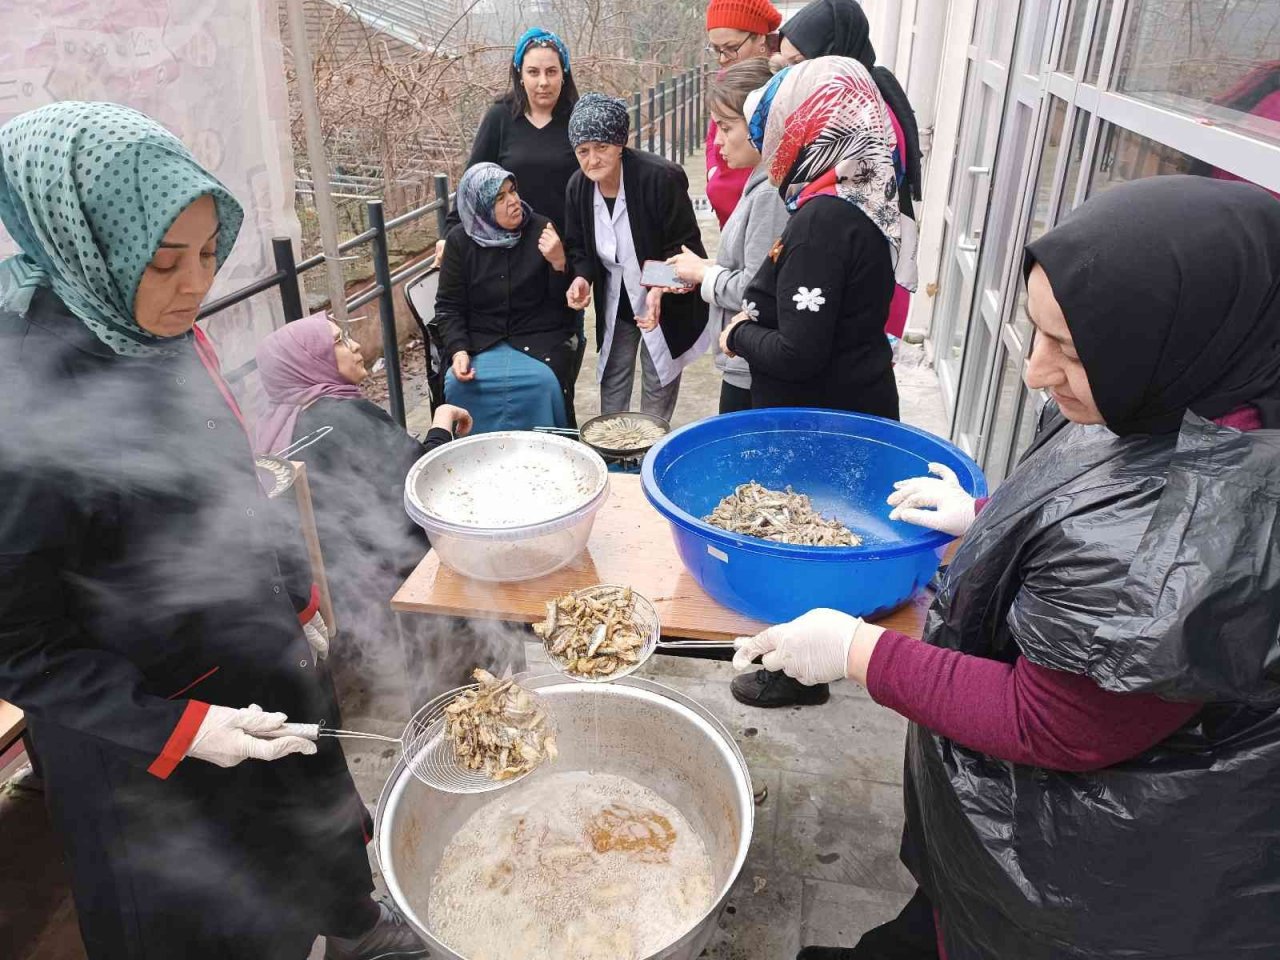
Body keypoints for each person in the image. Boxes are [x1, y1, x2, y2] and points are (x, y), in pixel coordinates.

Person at [731, 176, 1280, 960]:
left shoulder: (1212, 516)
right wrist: (989, 522)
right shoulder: (1179, 386)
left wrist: (859, 651)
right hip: (1016, 835)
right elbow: (1099, 526)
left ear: (1177, 336)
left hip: (1086, 877)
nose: (1034, 370)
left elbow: (1053, 722)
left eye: (1071, 350)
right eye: (1038, 332)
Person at [0, 102, 427, 960]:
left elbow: (227, 475)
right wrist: (181, 729)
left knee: (313, 827)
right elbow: (19, 643)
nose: (194, 286)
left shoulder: (150, 328)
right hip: (143, 733)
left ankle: (354, 926)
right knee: (220, 913)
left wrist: (295, 589)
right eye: (164, 263)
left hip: (255, 649)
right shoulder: (23, 407)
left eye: (205, 254)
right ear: (81, 244)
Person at [723, 56, 917, 710]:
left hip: (819, 422)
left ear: (808, 126)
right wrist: (758, 302)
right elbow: (774, 285)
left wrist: (737, 336)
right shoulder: (859, 198)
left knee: (806, 546)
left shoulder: (823, 220)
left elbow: (797, 352)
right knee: (827, 540)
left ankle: (796, 673)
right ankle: (809, 661)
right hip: (854, 402)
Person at [253, 313, 471, 656]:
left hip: (336, 593)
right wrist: (441, 422)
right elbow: (422, 488)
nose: (355, 346)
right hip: (389, 588)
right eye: (338, 341)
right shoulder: (346, 419)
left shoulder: (275, 426)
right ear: (310, 361)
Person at [434, 28, 587, 409]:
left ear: (564, 73)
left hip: (558, 251)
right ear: (519, 73)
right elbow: (474, 176)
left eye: (552, 72)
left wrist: (574, 261)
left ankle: (556, 416)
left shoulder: (576, 118)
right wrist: (452, 236)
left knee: (557, 347)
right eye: (533, 72)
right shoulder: (501, 117)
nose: (543, 82)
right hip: (497, 246)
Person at [773, 0, 923, 337]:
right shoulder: (849, 98)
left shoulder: (863, 115)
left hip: (861, 277)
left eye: (798, 63)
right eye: (785, 65)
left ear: (834, 53)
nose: (791, 76)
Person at [564, 93, 710, 420]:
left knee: (658, 375)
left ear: (620, 143)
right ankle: (613, 447)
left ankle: (650, 448)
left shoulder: (660, 179)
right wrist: (581, 277)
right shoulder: (578, 187)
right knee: (613, 373)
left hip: (666, 297)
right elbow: (578, 246)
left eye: (602, 147)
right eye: (583, 151)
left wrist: (660, 287)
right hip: (616, 298)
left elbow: (685, 247)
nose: (592, 160)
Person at [665, 58, 789, 415]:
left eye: (725, 126)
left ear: (759, 123)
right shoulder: (760, 183)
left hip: (750, 365)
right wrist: (702, 269)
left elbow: (758, 290)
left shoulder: (769, 195)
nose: (717, 140)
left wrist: (704, 275)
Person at [434, 162, 577, 433]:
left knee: (544, 382)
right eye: (499, 198)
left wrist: (559, 263)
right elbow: (448, 306)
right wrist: (458, 350)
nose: (513, 202)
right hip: (479, 341)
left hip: (536, 338)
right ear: (480, 207)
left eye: (512, 191)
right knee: (456, 382)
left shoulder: (541, 229)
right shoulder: (459, 241)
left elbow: (563, 305)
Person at [703, 0, 782, 227]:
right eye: (716, 49)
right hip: (728, 209)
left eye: (731, 47)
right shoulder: (724, 78)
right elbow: (713, 136)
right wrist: (713, 173)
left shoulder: (781, 83)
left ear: (759, 38)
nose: (722, 58)